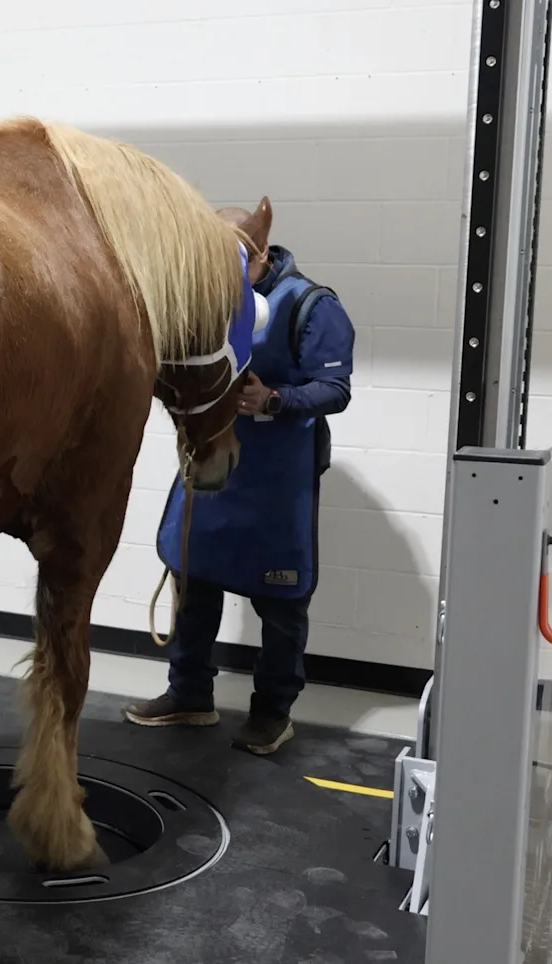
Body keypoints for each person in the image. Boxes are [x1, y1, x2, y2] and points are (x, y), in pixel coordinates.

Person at [123, 197, 356, 756]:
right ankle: (189, 695)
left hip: (277, 480)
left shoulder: (310, 306)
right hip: (210, 464)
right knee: (193, 580)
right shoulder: (207, 300)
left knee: (280, 607)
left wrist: (274, 399)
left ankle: (273, 712)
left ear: (257, 255)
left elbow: (337, 389)